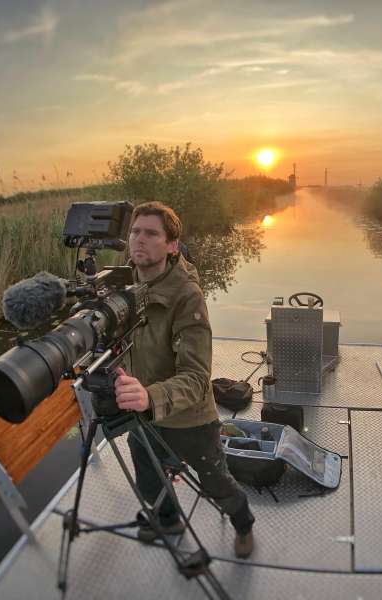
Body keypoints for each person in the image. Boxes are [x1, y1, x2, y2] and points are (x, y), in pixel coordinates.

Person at [114, 200, 255, 558]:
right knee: (149, 479)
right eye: (135, 231)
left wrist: (149, 397)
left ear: (172, 245)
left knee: (216, 482)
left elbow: (196, 377)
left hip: (190, 419)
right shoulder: (120, 286)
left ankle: (243, 524)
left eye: (151, 233)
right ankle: (169, 520)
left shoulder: (186, 296)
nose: (139, 239)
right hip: (143, 415)